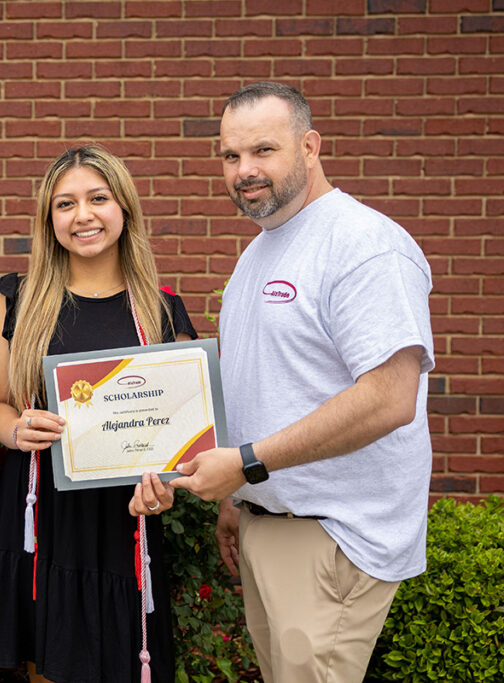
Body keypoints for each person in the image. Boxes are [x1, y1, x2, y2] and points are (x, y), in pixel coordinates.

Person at [169, 82, 434, 683]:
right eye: (231, 156)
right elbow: (266, 385)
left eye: (264, 150)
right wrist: (241, 498)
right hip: (274, 523)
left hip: (332, 539)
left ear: (310, 146)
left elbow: (390, 400)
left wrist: (249, 464)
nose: (245, 171)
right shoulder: (261, 250)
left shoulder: (364, 245)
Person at [0, 145, 198, 683]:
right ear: (48, 218)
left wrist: (169, 481)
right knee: (48, 666)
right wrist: (15, 430)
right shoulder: (21, 300)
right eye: (65, 204)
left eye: (98, 198)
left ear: (124, 208)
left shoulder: (160, 311)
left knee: (126, 663)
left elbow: (185, 432)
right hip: (45, 511)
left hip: (125, 516)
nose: (82, 216)